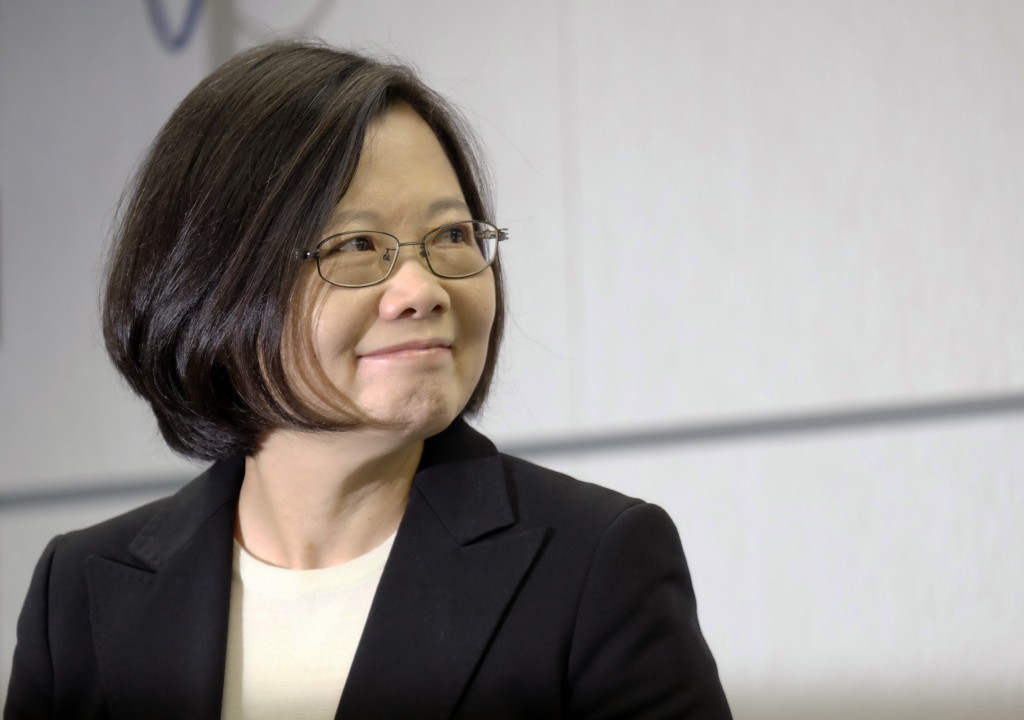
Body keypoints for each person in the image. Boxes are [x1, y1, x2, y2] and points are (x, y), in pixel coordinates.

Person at [5, 41, 731, 719]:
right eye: (356, 245)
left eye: (451, 235)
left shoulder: (596, 564)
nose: (422, 289)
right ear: (214, 284)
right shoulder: (80, 589)